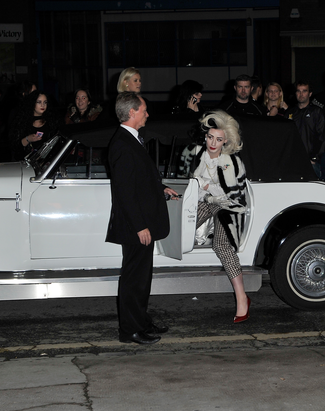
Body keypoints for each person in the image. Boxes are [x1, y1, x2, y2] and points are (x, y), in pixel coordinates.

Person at [105, 91, 179, 345]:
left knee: (141, 278)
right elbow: (125, 193)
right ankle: (130, 330)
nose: (148, 113)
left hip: (140, 224)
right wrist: (140, 226)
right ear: (132, 112)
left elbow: (139, 181)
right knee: (133, 280)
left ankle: (141, 322)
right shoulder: (123, 144)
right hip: (135, 227)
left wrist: (160, 189)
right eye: (144, 109)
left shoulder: (131, 140)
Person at [189, 110, 251, 322]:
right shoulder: (198, 155)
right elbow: (192, 189)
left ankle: (242, 297)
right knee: (180, 228)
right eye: (210, 137)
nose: (213, 143)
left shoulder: (231, 162)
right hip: (205, 202)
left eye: (218, 139)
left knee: (221, 246)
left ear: (226, 141)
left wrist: (205, 187)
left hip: (228, 207)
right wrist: (204, 190)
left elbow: (232, 196)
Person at [285, 81, 325, 179]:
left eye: (304, 91)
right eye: (298, 91)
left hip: (311, 162)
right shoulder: (290, 113)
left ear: (310, 93)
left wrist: (314, 158)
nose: (301, 94)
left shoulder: (317, 112)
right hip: (292, 161)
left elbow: (323, 137)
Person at [10, 90, 59, 161]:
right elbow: (15, 147)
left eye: (45, 102)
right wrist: (27, 139)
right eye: (39, 102)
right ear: (32, 103)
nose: (43, 105)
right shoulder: (22, 122)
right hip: (26, 164)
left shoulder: (52, 122)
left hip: (46, 163)